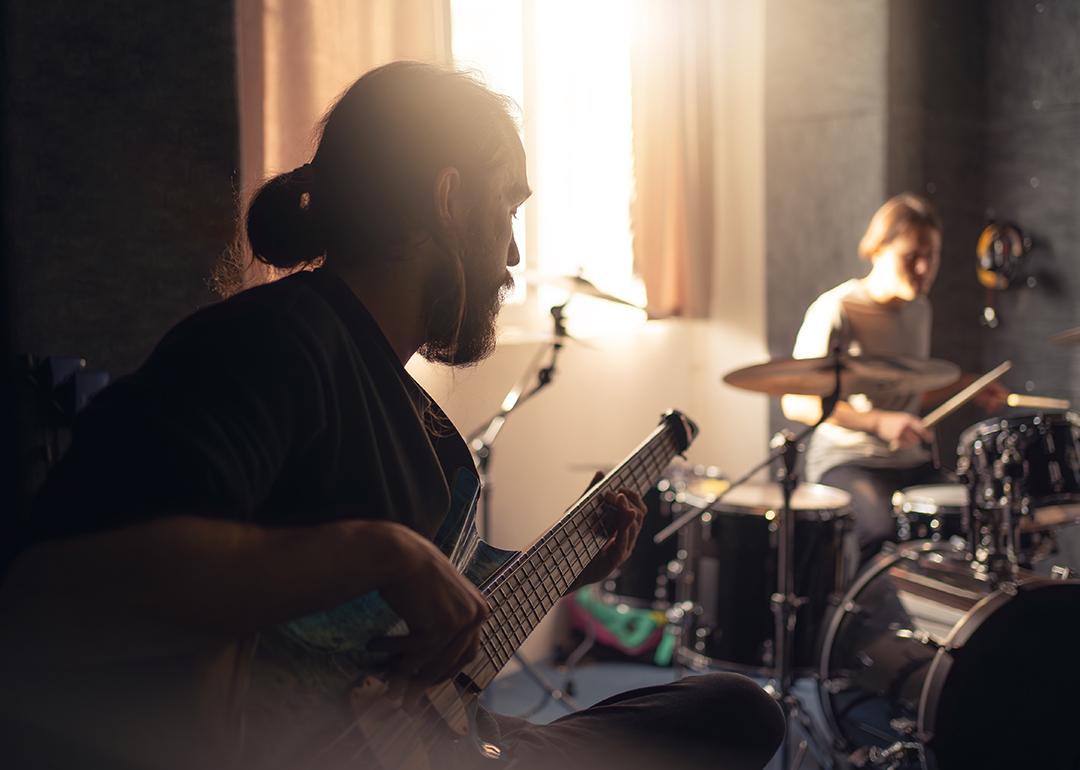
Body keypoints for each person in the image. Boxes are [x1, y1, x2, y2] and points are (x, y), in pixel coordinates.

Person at [0, 62, 783, 770]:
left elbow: (396, 619)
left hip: (436, 736)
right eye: (507, 209)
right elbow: (53, 593)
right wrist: (379, 552)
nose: (512, 255)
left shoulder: (399, 398)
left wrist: (562, 568)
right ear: (448, 201)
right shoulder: (270, 343)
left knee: (735, 710)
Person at [782, 194, 1007, 566]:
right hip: (848, 458)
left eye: (931, 256)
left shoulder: (919, 309)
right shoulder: (836, 309)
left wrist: (969, 386)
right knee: (880, 533)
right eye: (911, 257)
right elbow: (797, 401)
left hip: (907, 460)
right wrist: (878, 422)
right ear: (878, 250)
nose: (924, 269)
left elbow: (906, 394)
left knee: (978, 522)